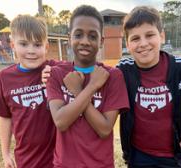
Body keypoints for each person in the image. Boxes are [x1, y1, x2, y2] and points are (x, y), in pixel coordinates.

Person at [117, 6, 181, 168]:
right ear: (127, 44)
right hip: (138, 155)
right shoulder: (124, 69)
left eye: (150, 35)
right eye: (135, 38)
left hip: (175, 157)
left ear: (162, 36)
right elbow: (100, 81)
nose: (143, 43)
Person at [45, 5, 129, 168]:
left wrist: (78, 90)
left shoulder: (112, 76)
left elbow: (104, 129)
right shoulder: (56, 74)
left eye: (92, 36)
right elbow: (61, 122)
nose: (85, 41)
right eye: (78, 35)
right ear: (69, 38)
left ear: (101, 41)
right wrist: (91, 87)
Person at [0, 15, 58, 168]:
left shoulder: (55, 69)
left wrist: (57, 72)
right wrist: (5, 152)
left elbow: (79, 69)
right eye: (23, 44)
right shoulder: (4, 78)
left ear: (46, 47)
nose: (31, 51)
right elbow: (5, 117)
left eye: (37, 44)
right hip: (26, 159)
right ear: (13, 45)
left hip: (58, 158)